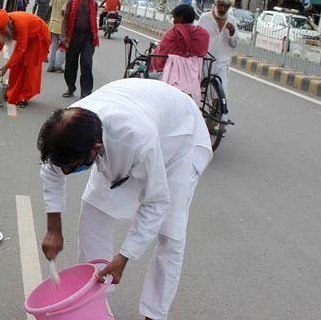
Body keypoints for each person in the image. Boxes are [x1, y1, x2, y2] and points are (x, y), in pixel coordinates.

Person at [38, 79, 213, 320]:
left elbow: (156, 203)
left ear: (95, 149)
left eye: (72, 167)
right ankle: (92, 304)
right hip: (136, 118)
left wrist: (124, 256)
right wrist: (53, 230)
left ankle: (154, 314)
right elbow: (52, 171)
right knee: (94, 211)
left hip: (179, 139)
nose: (66, 172)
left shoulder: (138, 141)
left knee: (170, 234)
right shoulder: (67, 129)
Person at [0, 10, 51, 108]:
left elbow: (20, 49)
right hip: (25, 38)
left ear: (8, 24)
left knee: (29, 67)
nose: (1, 32)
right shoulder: (0, 24)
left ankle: (25, 96)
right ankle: (11, 92)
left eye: (2, 30)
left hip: (37, 37)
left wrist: (6, 66)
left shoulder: (20, 24)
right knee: (17, 65)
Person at [197, 0, 237, 127]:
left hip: (222, 62)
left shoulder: (232, 21)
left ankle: (214, 123)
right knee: (200, 93)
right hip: (205, 60)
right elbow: (197, 37)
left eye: (225, 6)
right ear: (216, 4)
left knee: (221, 94)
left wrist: (232, 33)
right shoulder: (205, 18)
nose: (222, 8)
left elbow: (234, 44)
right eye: (220, 5)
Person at [61, 0, 99, 99]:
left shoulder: (94, 3)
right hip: (73, 36)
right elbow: (65, 19)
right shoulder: (72, 1)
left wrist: (94, 38)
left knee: (87, 64)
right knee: (70, 65)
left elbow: (93, 21)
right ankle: (71, 88)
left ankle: (86, 92)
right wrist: (63, 36)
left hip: (88, 38)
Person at [151, 4, 210, 72]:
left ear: (181, 18)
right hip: (194, 73)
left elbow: (161, 55)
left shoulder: (172, 34)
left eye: (175, 18)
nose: (173, 21)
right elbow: (202, 53)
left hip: (170, 73)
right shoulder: (203, 34)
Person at [47, 0, 72, 73]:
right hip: (61, 26)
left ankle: (51, 65)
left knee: (53, 45)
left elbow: (50, 8)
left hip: (52, 24)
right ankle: (58, 65)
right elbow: (64, 12)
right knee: (64, 46)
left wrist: (47, 19)